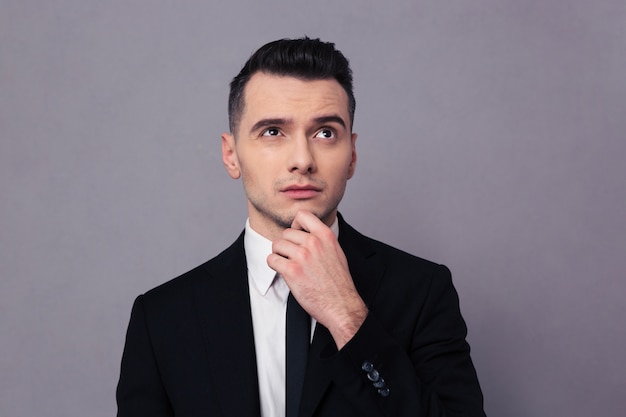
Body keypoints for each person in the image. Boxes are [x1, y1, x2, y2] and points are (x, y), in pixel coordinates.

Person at [116, 37, 486, 417]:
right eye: (273, 131)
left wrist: (347, 317)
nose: (302, 160)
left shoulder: (423, 292)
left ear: (352, 155)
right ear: (231, 155)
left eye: (325, 132)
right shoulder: (162, 318)